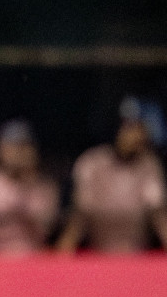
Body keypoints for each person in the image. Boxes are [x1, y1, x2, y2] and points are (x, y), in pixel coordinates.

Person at [56, 100, 167, 254]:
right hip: (99, 257)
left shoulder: (149, 166)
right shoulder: (92, 163)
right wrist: (64, 252)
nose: (137, 135)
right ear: (116, 129)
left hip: (138, 258)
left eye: (140, 128)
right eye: (130, 128)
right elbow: (80, 216)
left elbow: (160, 217)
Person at [0, 119, 59, 254]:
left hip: (31, 260)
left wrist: (25, 184)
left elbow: (43, 229)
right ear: (0, 148)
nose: (18, 153)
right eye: (12, 146)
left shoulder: (44, 187)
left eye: (24, 146)